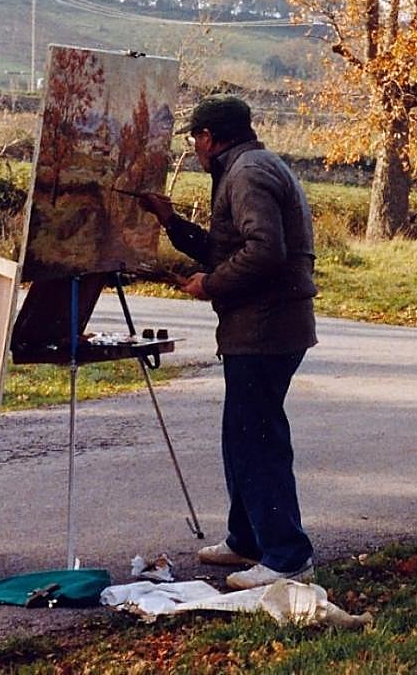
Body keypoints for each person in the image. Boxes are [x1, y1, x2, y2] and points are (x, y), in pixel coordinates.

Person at [140, 94, 318, 591]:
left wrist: (210, 284)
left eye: (196, 140)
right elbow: (229, 247)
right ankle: (247, 538)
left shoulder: (247, 174)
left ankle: (286, 556)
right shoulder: (248, 166)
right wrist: (170, 222)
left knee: (257, 440)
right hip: (259, 326)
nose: (195, 150)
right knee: (241, 433)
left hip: (267, 328)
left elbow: (266, 252)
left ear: (209, 138)